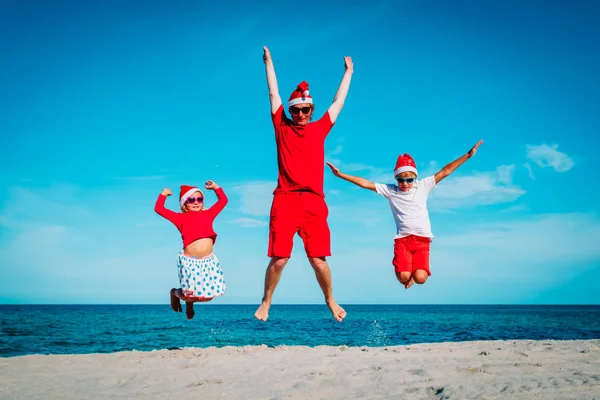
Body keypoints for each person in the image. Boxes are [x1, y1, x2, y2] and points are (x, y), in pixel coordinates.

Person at [254, 46, 354, 322]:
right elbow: (273, 94)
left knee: (318, 260)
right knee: (279, 259)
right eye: (296, 110)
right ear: (291, 111)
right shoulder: (282, 127)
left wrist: (349, 73)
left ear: (311, 109)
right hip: (284, 199)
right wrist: (269, 63)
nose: (300, 114)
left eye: (305, 109)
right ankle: (266, 301)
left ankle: (330, 300)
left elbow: (339, 102)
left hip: (313, 201)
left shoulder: (319, 128)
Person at [326, 140, 483, 289]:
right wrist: (341, 175)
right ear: (396, 178)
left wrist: (468, 155)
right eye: (401, 179)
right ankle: (405, 273)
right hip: (403, 241)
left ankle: (414, 275)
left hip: (422, 240)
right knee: (403, 277)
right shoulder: (391, 191)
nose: (405, 183)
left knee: (421, 279)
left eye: (409, 179)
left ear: (415, 177)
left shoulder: (423, 186)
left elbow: (445, 171)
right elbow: (366, 183)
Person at [154, 180, 228, 320]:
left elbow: (223, 200)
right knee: (189, 295)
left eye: (199, 199)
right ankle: (175, 293)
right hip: (190, 261)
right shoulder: (179, 218)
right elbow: (159, 209)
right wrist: (163, 194)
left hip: (208, 261)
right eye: (191, 199)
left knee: (207, 297)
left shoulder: (208, 214)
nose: (196, 202)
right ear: (184, 204)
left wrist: (215, 187)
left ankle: (189, 304)